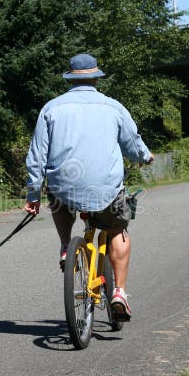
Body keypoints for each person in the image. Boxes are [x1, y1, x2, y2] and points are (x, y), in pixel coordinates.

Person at [24, 53, 153, 321]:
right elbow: (132, 142)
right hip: (105, 188)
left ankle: (64, 246)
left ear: (70, 78)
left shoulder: (51, 108)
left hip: (64, 187)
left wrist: (33, 195)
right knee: (118, 228)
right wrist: (144, 156)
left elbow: (37, 157)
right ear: (96, 77)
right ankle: (119, 292)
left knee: (59, 198)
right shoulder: (113, 107)